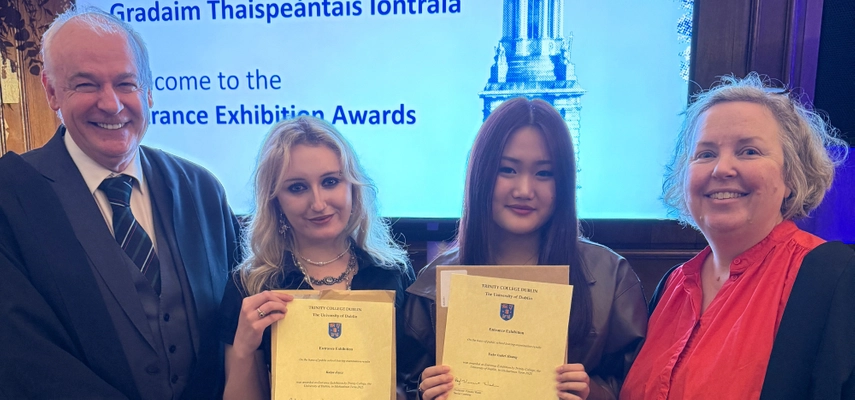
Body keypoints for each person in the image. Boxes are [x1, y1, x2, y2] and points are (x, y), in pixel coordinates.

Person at [0, 6, 242, 399]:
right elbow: (21, 358)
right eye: (86, 85)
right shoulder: (10, 198)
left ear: (148, 91)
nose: (111, 104)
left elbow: (234, 323)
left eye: (126, 84)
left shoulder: (201, 191)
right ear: (50, 91)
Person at [621, 73, 855, 400]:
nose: (722, 169)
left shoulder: (837, 281)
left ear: (791, 175)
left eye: (748, 151)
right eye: (705, 154)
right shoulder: (671, 286)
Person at [402, 98, 648, 400]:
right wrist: (427, 392)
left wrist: (591, 393)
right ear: (480, 175)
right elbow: (405, 383)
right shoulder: (434, 281)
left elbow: (640, 386)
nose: (524, 190)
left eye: (544, 173)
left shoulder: (611, 277)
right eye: (507, 170)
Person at [218, 116, 415, 399]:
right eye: (297, 187)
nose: (319, 203)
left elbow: (414, 380)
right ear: (275, 200)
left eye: (330, 181)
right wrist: (244, 348)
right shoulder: (250, 286)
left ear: (353, 187)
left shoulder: (393, 273)